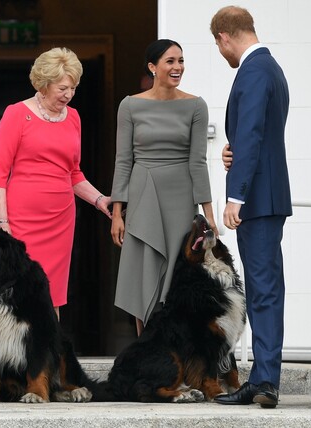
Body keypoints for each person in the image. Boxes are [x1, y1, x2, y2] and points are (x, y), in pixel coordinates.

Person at [0, 47, 111, 319]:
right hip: (21, 220)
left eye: (74, 88)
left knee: (52, 292)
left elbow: (74, 173)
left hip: (60, 221)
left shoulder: (74, 118)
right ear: (44, 85)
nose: (68, 95)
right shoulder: (16, 114)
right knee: (19, 290)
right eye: (63, 88)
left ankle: (49, 356)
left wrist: (101, 200)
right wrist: (2, 224)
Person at [210, 6, 292, 409]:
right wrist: (233, 151)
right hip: (267, 194)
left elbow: (256, 132)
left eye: (218, 45)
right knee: (265, 288)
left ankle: (264, 381)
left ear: (225, 36)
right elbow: (254, 134)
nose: (221, 53)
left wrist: (235, 194)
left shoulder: (255, 69)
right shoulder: (269, 67)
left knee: (262, 290)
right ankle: (264, 380)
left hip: (258, 198)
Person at [110, 39, 218, 337]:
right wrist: (117, 213)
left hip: (181, 201)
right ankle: (146, 352)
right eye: (170, 61)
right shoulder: (130, 105)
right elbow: (123, 160)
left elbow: (198, 161)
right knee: (143, 277)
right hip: (143, 196)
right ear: (152, 67)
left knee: (178, 280)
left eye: (181, 61)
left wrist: (208, 215)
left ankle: (178, 356)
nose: (178, 67)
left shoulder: (196, 106)